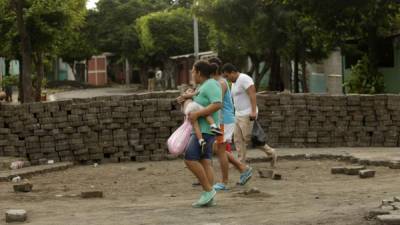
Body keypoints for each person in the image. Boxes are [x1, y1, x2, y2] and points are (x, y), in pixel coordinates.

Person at [180, 60, 222, 207]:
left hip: (205, 131)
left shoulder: (210, 84)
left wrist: (197, 114)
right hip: (204, 130)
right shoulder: (202, 86)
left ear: (198, 72)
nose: (192, 74)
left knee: (189, 158)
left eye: (192, 70)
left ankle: (208, 190)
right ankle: (209, 196)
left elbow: (217, 104)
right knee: (205, 161)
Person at [207, 58, 253, 191]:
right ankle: (243, 169)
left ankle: (224, 182)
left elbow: (216, 102)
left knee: (220, 150)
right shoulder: (218, 82)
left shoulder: (220, 83)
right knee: (218, 149)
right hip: (221, 120)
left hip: (223, 121)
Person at [221, 63, 277, 168]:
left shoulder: (244, 79)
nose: (227, 79)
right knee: (237, 139)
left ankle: (271, 152)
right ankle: (241, 162)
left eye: (227, 76)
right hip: (238, 114)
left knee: (249, 138)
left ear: (232, 72)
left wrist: (253, 111)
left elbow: (252, 94)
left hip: (247, 113)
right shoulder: (234, 83)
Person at [179, 86, 223, 154]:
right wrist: (195, 93)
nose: (191, 92)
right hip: (192, 106)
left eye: (192, 91)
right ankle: (213, 126)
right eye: (189, 90)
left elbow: (182, 110)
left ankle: (201, 141)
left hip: (188, 112)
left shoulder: (185, 100)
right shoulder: (185, 97)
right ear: (185, 92)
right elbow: (188, 96)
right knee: (206, 113)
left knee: (196, 126)